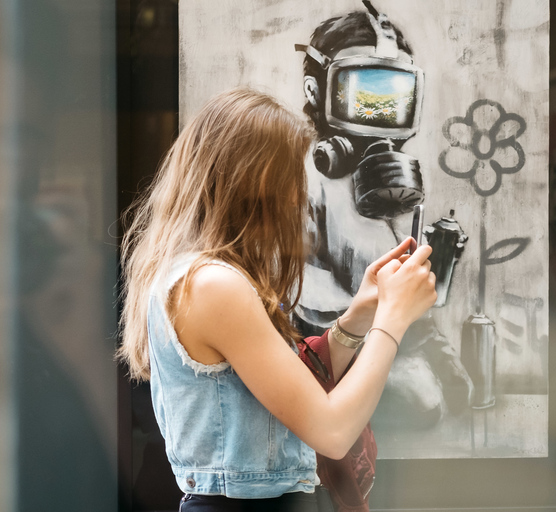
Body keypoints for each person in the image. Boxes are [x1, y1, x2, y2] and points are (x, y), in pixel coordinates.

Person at [117, 87, 437, 511]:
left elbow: (284, 387)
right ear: (254, 180)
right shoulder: (215, 286)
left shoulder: (198, 276)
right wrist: (393, 320)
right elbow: (332, 430)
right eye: (291, 179)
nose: (296, 197)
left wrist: (360, 315)